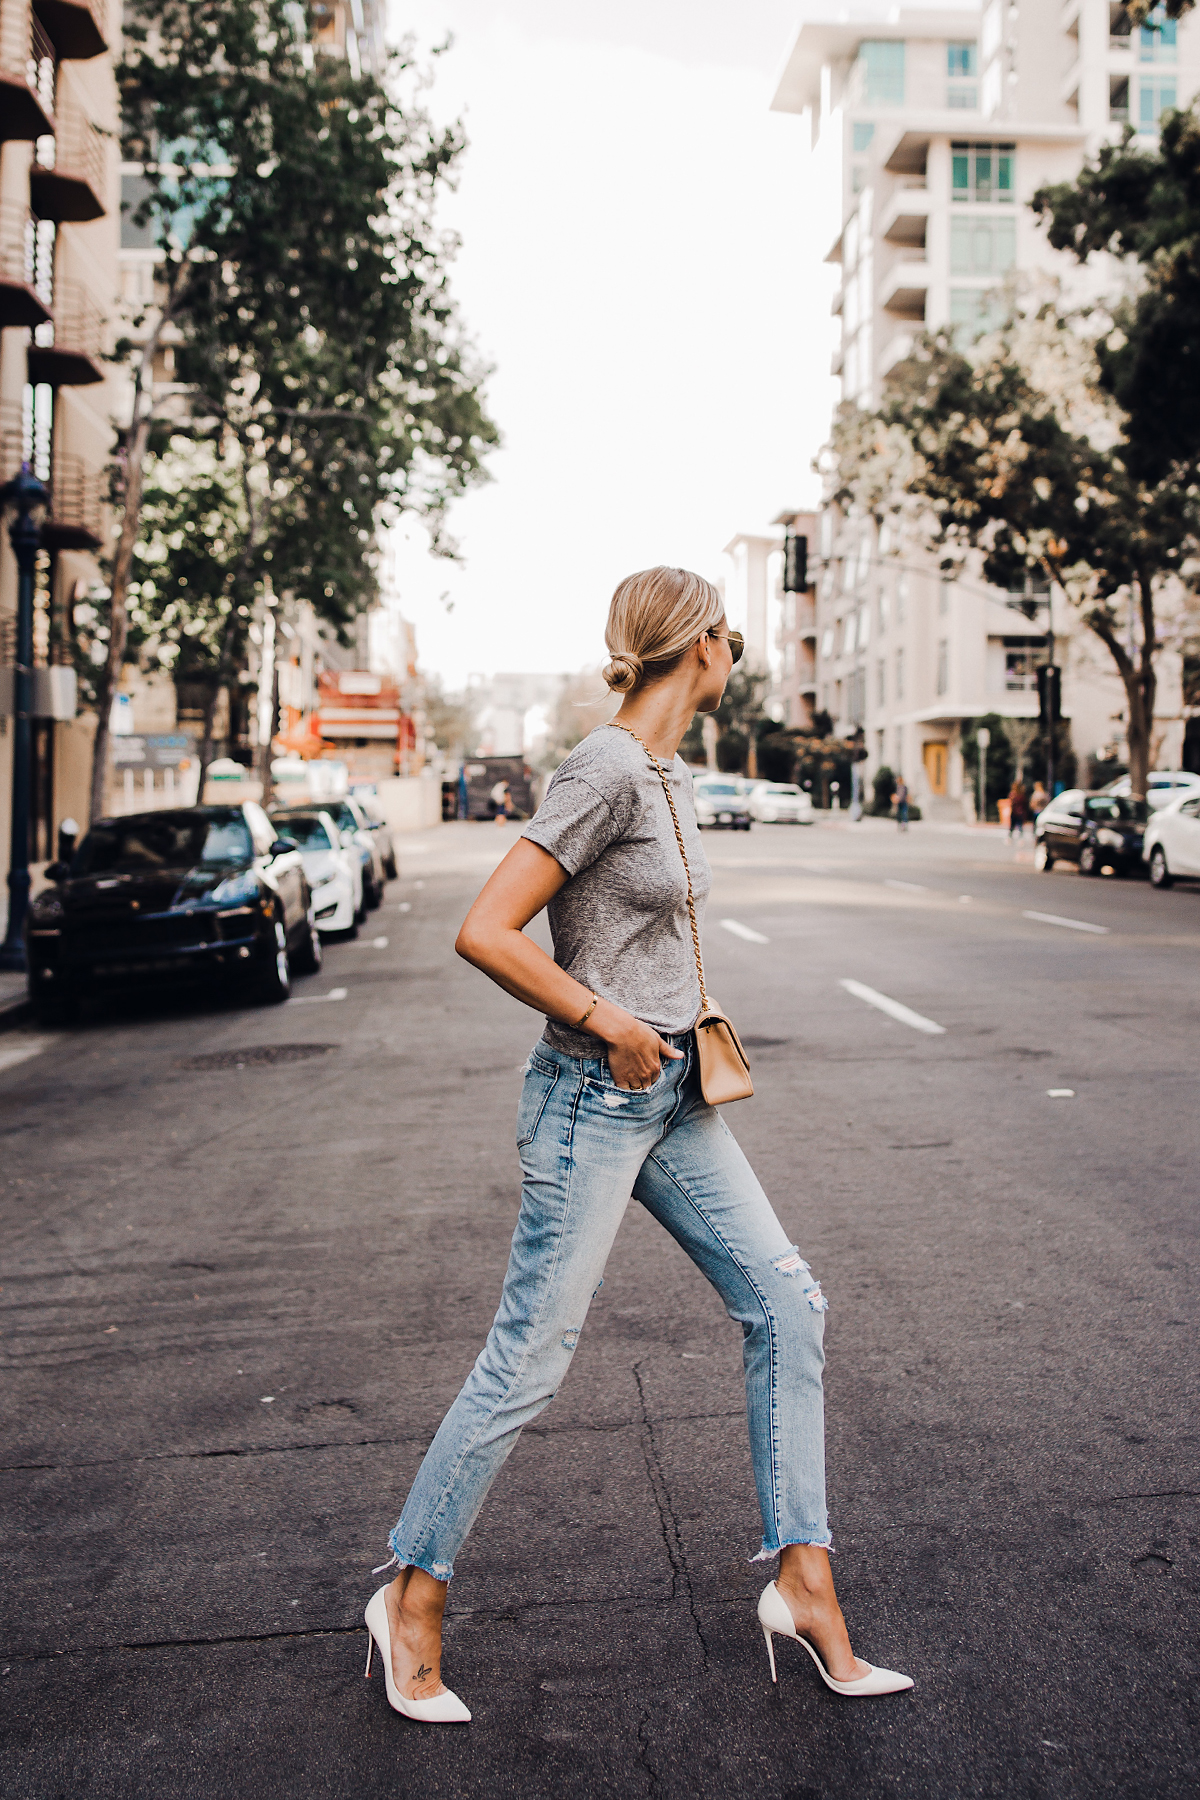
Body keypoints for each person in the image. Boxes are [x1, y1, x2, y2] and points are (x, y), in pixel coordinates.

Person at [362, 566, 913, 1723]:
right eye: (734, 636)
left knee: (787, 1304)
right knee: (533, 1355)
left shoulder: (662, 769)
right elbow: (487, 927)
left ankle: (805, 1584)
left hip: (670, 1095)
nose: (740, 653)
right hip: (593, 1093)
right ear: (702, 644)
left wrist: (659, 1027)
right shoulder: (604, 766)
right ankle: (411, 1595)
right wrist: (604, 1017)